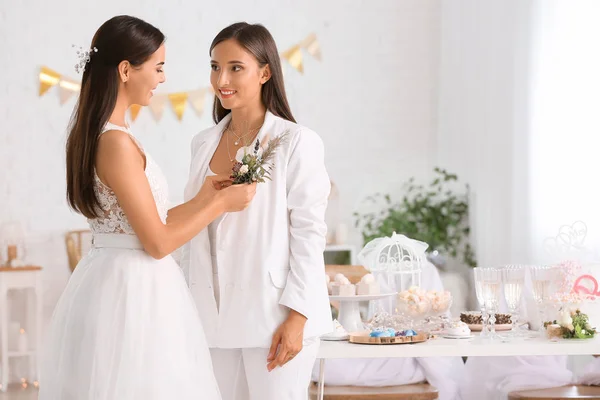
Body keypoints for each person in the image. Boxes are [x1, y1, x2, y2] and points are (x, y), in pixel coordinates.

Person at [39, 15, 255, 400]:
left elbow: (147, 225)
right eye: (158, 67)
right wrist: (221, 202)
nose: (162, 78)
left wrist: (205, 197)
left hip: (119, 276)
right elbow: (157, 242)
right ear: (126, 70)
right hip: (131, 290)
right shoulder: (115, 143)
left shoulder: (109, 136)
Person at [180, 22, 332, 400]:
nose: (221, 79)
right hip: (210, 319)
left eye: (235, 67)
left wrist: (298, 317)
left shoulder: (297, 142)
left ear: (265, 72)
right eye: (215, 67)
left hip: (273, 317)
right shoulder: (202, 142)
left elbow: (309, 234)